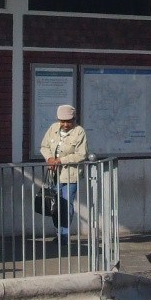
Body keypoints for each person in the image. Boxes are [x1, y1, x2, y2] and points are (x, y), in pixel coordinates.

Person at [39, 103, 89, 242]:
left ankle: (64, 235)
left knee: (67, 204)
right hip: (54, 175)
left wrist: (60, 160)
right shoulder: (53, 128)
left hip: (70, 175)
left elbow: (81, 154)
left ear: (74, 119)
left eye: (69, 121)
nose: (66, 124)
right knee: (55, 204)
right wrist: (49, 158)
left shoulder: (79, 132)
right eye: (62, 121)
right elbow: (44, 146)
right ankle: (58, 233)